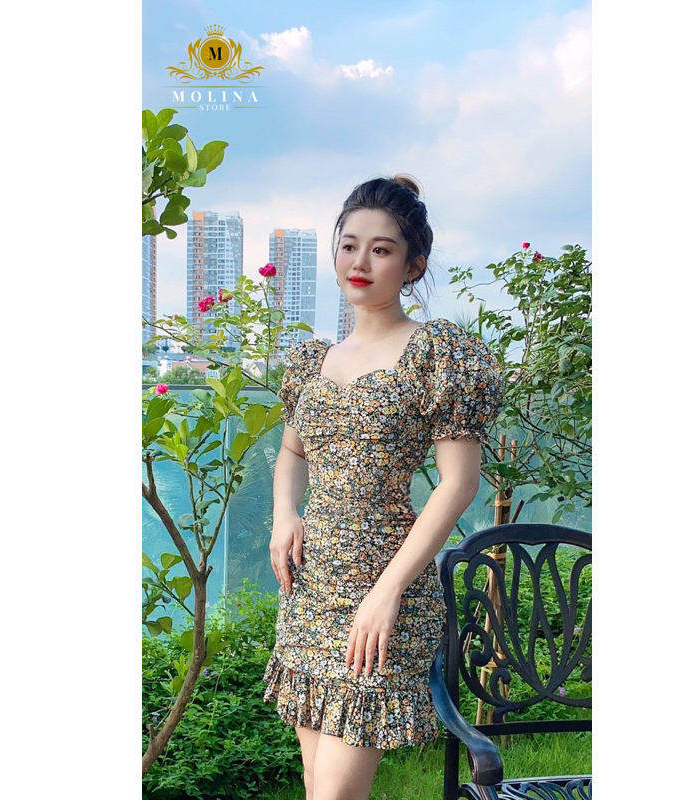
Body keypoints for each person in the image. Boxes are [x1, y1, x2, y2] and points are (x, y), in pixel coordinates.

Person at [262, 174, 504, 800]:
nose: (360, 262)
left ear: (413, 265)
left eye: (381, 249)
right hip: (311, 587)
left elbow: (458, 484)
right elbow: (292, 451)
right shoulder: (312, 360)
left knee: (335, 794)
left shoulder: (435, 353)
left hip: (385, 585)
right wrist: (285, 512)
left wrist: (387, 590)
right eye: (349, 245)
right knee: (316, 784)